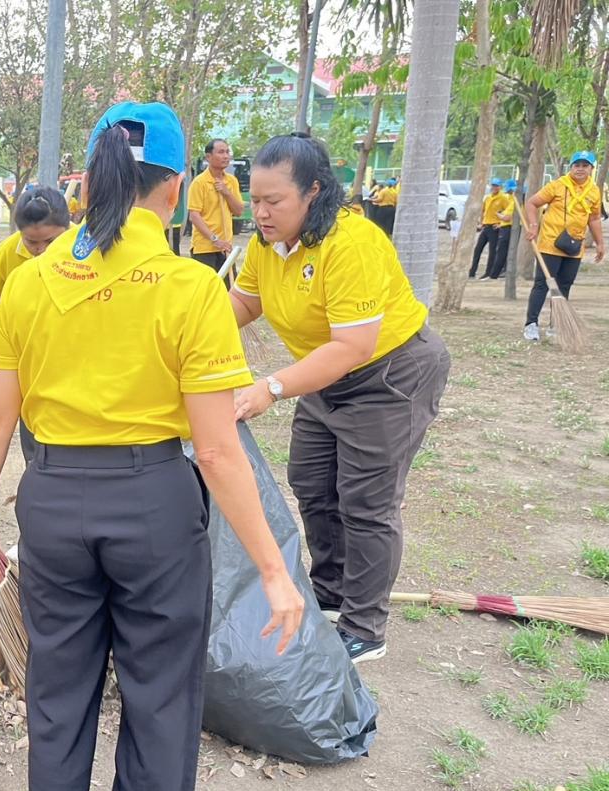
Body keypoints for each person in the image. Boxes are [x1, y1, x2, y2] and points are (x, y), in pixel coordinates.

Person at [0, 102, 302, 791]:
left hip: (55, 501)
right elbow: (218, 454)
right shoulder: (190, 287)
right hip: (153, 505)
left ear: (91, 174)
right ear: (178, 185)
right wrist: (273, 568)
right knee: (158, 695)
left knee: (60, 691)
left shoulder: (33, 280)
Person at [229, 133, 450, 663]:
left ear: (314, 191)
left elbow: (353, 346)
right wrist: (181, 332)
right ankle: (328, 593)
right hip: (325, 378)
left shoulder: (350, 243)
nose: (260, 212)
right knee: (311, 482)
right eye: (254, 199)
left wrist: (271, 387)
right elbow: (241, 304)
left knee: (367, 502)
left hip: (389, 376)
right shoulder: (266, 244)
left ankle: (365, 626)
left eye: (273, 201)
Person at [0, 185, 70, 463]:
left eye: (51, 241)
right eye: (32, 243)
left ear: (68, 228)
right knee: (32, 423)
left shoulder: (88, 248)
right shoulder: (8, 251)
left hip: (69, 351)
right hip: (27, 353)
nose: (41, 251)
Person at [523, 150, 605, 341]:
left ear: (592, 169)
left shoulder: (593, 191)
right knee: (543, 284)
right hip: (550, 243)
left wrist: (600, 243)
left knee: (564, 285)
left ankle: (556, 325)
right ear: (571, 167)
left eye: (585, 166)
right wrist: (534, 226)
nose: (580, 169)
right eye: (577, 165)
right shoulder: (558, 185)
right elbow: (532, 203)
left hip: (574, 246)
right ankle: (531, 324)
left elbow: (594, 218)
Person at [187, 138, 245, 288]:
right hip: (205, 247)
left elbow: (238, 211)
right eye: (221, 152)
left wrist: (226, 192)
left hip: (226, 247)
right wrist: (215, 239)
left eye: (227, 152)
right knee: (205, 291)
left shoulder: (231, 181)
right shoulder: (199, 183)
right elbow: (194, 215)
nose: (226, 156)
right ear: (208, 157)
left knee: (228, 291)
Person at [469, 178, 506, 279]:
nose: (494, 187)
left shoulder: (503, 198)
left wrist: (501, 224)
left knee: (492, 251)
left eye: (496, 186)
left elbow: (508, 212)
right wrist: (481, 222)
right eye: (493, 185)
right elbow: (483, 210)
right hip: (486, 226)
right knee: (478, 249)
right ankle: (472, 271)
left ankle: (488, 272)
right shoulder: (488, 198)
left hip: (494, 227)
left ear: (500, 187)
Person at [486, 178, 516, 279]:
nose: (494, 187)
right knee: (504, 251)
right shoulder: (511, 199)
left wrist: (499, 215)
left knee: (501, 251)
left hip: (507, 228)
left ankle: (494, 274)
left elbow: (507, 217)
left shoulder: (511, 200)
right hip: (499, 226)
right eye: (493, 185)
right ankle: (497, 272)